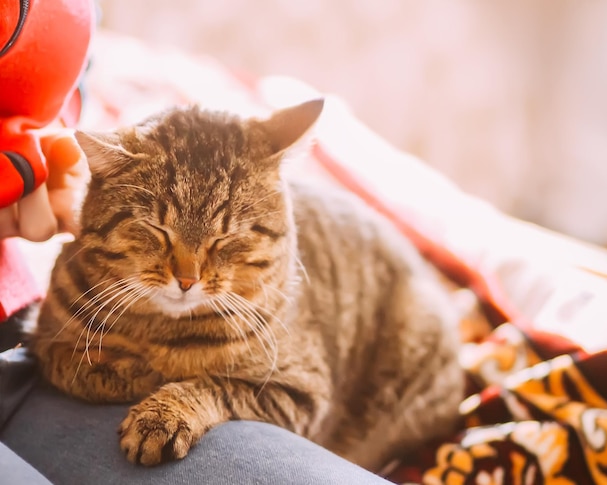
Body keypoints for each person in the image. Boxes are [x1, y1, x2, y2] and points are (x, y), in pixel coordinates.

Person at [0, 2, 393, 483]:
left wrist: (199, 396)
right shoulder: (84, 287)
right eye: (158, 235)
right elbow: (52, 346)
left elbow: (301, 396)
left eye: (222, 242)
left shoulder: (263, 308)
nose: (188, 276)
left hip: (388, 370)